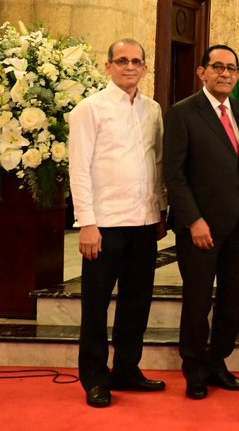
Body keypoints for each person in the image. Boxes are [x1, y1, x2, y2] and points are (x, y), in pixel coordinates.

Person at [69, 39, 167, 408]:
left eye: (137, 61)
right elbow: (78, 168)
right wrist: (87, 223)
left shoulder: (152, 109)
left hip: (143, 220)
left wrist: (160, 210)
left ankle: (127, 368)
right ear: (108, 66)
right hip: (104, 224)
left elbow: (155, 163)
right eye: (122, 61)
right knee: (95, 305)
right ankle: (95, 378)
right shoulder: (89, 110)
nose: (130, 67)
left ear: (144, 68)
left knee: (136, 301)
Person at [163, 45, 239, 400]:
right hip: (201, 227)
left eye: (231, 69)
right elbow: (174, 174)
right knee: (198, 301)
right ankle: (194, 369)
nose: (226, 74)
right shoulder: (183, 113)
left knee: (234, 300)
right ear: (202, 72)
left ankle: (218, 361)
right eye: (218, 67)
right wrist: (193, 220)